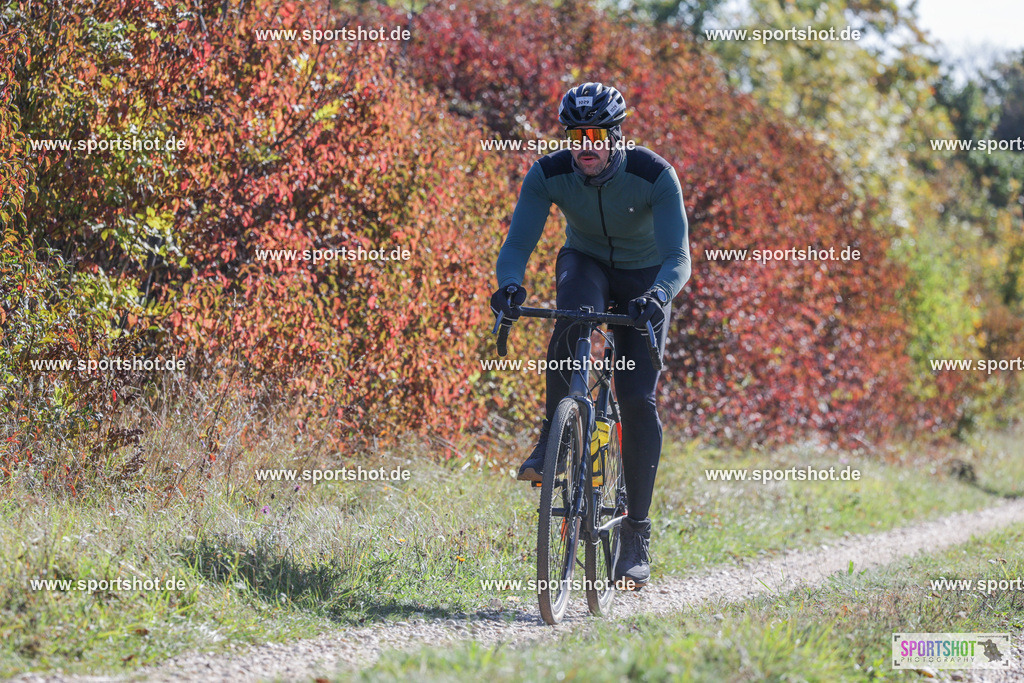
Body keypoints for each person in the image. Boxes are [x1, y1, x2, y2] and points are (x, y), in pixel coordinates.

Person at [490, 82, 691, 589]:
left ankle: (637, 534)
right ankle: (552, 438)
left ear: (616, 135)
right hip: (587, 265)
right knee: (572, 317)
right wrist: (510, 287)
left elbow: (679, 259)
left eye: (596, 135)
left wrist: (658, 296)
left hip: (646, 280)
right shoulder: (550, 174)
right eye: (576, 134)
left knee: (639, 400)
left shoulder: (654, 175)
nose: (585, 145)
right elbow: (516, 244)